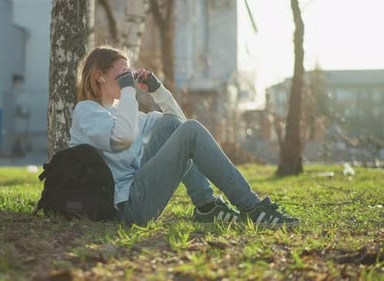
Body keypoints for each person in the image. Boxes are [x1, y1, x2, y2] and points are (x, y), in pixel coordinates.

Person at [69, 46, 299, 228]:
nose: (128, 79)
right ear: (100, 77)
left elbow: (178, 124)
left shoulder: (123, 113)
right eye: (122, 74)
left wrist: (157, 90)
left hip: (138, 191)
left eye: (129, 74)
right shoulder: (86, 112)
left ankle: (207, 207)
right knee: (189, 131)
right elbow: (123, 138)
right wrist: (129, 92)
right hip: (126, 208)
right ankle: (252, 208)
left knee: (176, 125)